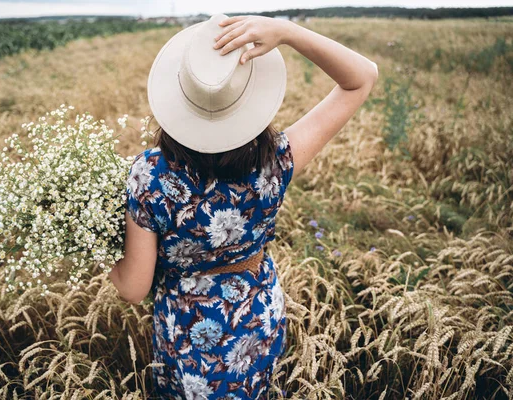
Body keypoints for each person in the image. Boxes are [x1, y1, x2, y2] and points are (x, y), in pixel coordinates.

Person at [108, 13, 378, 399]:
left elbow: (133, 288)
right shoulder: (277, 161)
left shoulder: (148, 177)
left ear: (178, 98)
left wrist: (93, 244)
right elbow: (362, 77)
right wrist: (287, 32)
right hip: (258, 317)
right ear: (250, 100)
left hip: (189, 339)